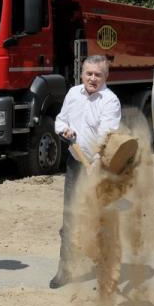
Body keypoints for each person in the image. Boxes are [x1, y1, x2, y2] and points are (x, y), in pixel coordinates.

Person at [50, 55, 121, 289]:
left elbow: (107, 137)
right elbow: (60, 121)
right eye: (88, 73)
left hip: (102, 168)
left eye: (97, 74)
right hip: (75, 164)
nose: (92, 78)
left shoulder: (110, 102)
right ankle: (65, 270)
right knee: (70, 217)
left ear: (105, 76)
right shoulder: (73, 94)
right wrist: (65, 131)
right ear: (82, 74)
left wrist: (97, 164)